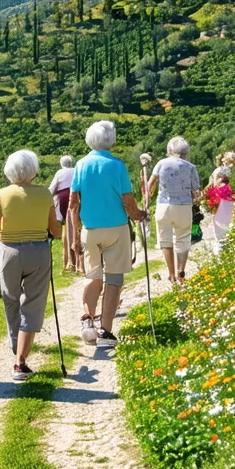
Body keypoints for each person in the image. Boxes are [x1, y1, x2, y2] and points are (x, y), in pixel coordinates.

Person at [0, 150, 60, 381]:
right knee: (33, 304)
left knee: (10, 299)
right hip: (38, 251)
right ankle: (20, 361)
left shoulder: (2, 194)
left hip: (9, 251)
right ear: (34, 170)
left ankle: (15, 345)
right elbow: (55, 231)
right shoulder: (45, 193)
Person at [69, 121, 147, 348]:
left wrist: (75, 236)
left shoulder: (81, 165)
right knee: (113, 280)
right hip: (116, 228)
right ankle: (105, 330)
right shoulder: (117, 165)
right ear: (111, 140)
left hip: (90, 229)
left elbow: (73, 203)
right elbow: (128, 201)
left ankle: (88, 318)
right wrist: (139, 215)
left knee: (93, 276)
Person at [146, 137, 201, 284]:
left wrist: (147, 200)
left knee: (165, 240)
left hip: (164, 205)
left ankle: (171, 274)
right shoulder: (191, 167)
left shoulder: (161, 163)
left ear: (169, 150)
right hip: (184, 206)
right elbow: (196, 192)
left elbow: (150, 184)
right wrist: (194, 200)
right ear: (186, 151)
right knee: (183, 238)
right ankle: (181, 270)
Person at [48, 155, 77, 271]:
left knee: (66, 227)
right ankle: (75, 259)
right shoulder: (76, 170)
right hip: (77, 198)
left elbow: (52, 188)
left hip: (63, 200)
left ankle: (68, 261)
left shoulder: (60, 173)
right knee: (76, 226)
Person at [205, 166, 235, 250]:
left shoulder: (219, 189)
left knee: (221, 233)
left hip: (222, 210)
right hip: (226, 209)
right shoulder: (227, 188)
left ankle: (223, 248)